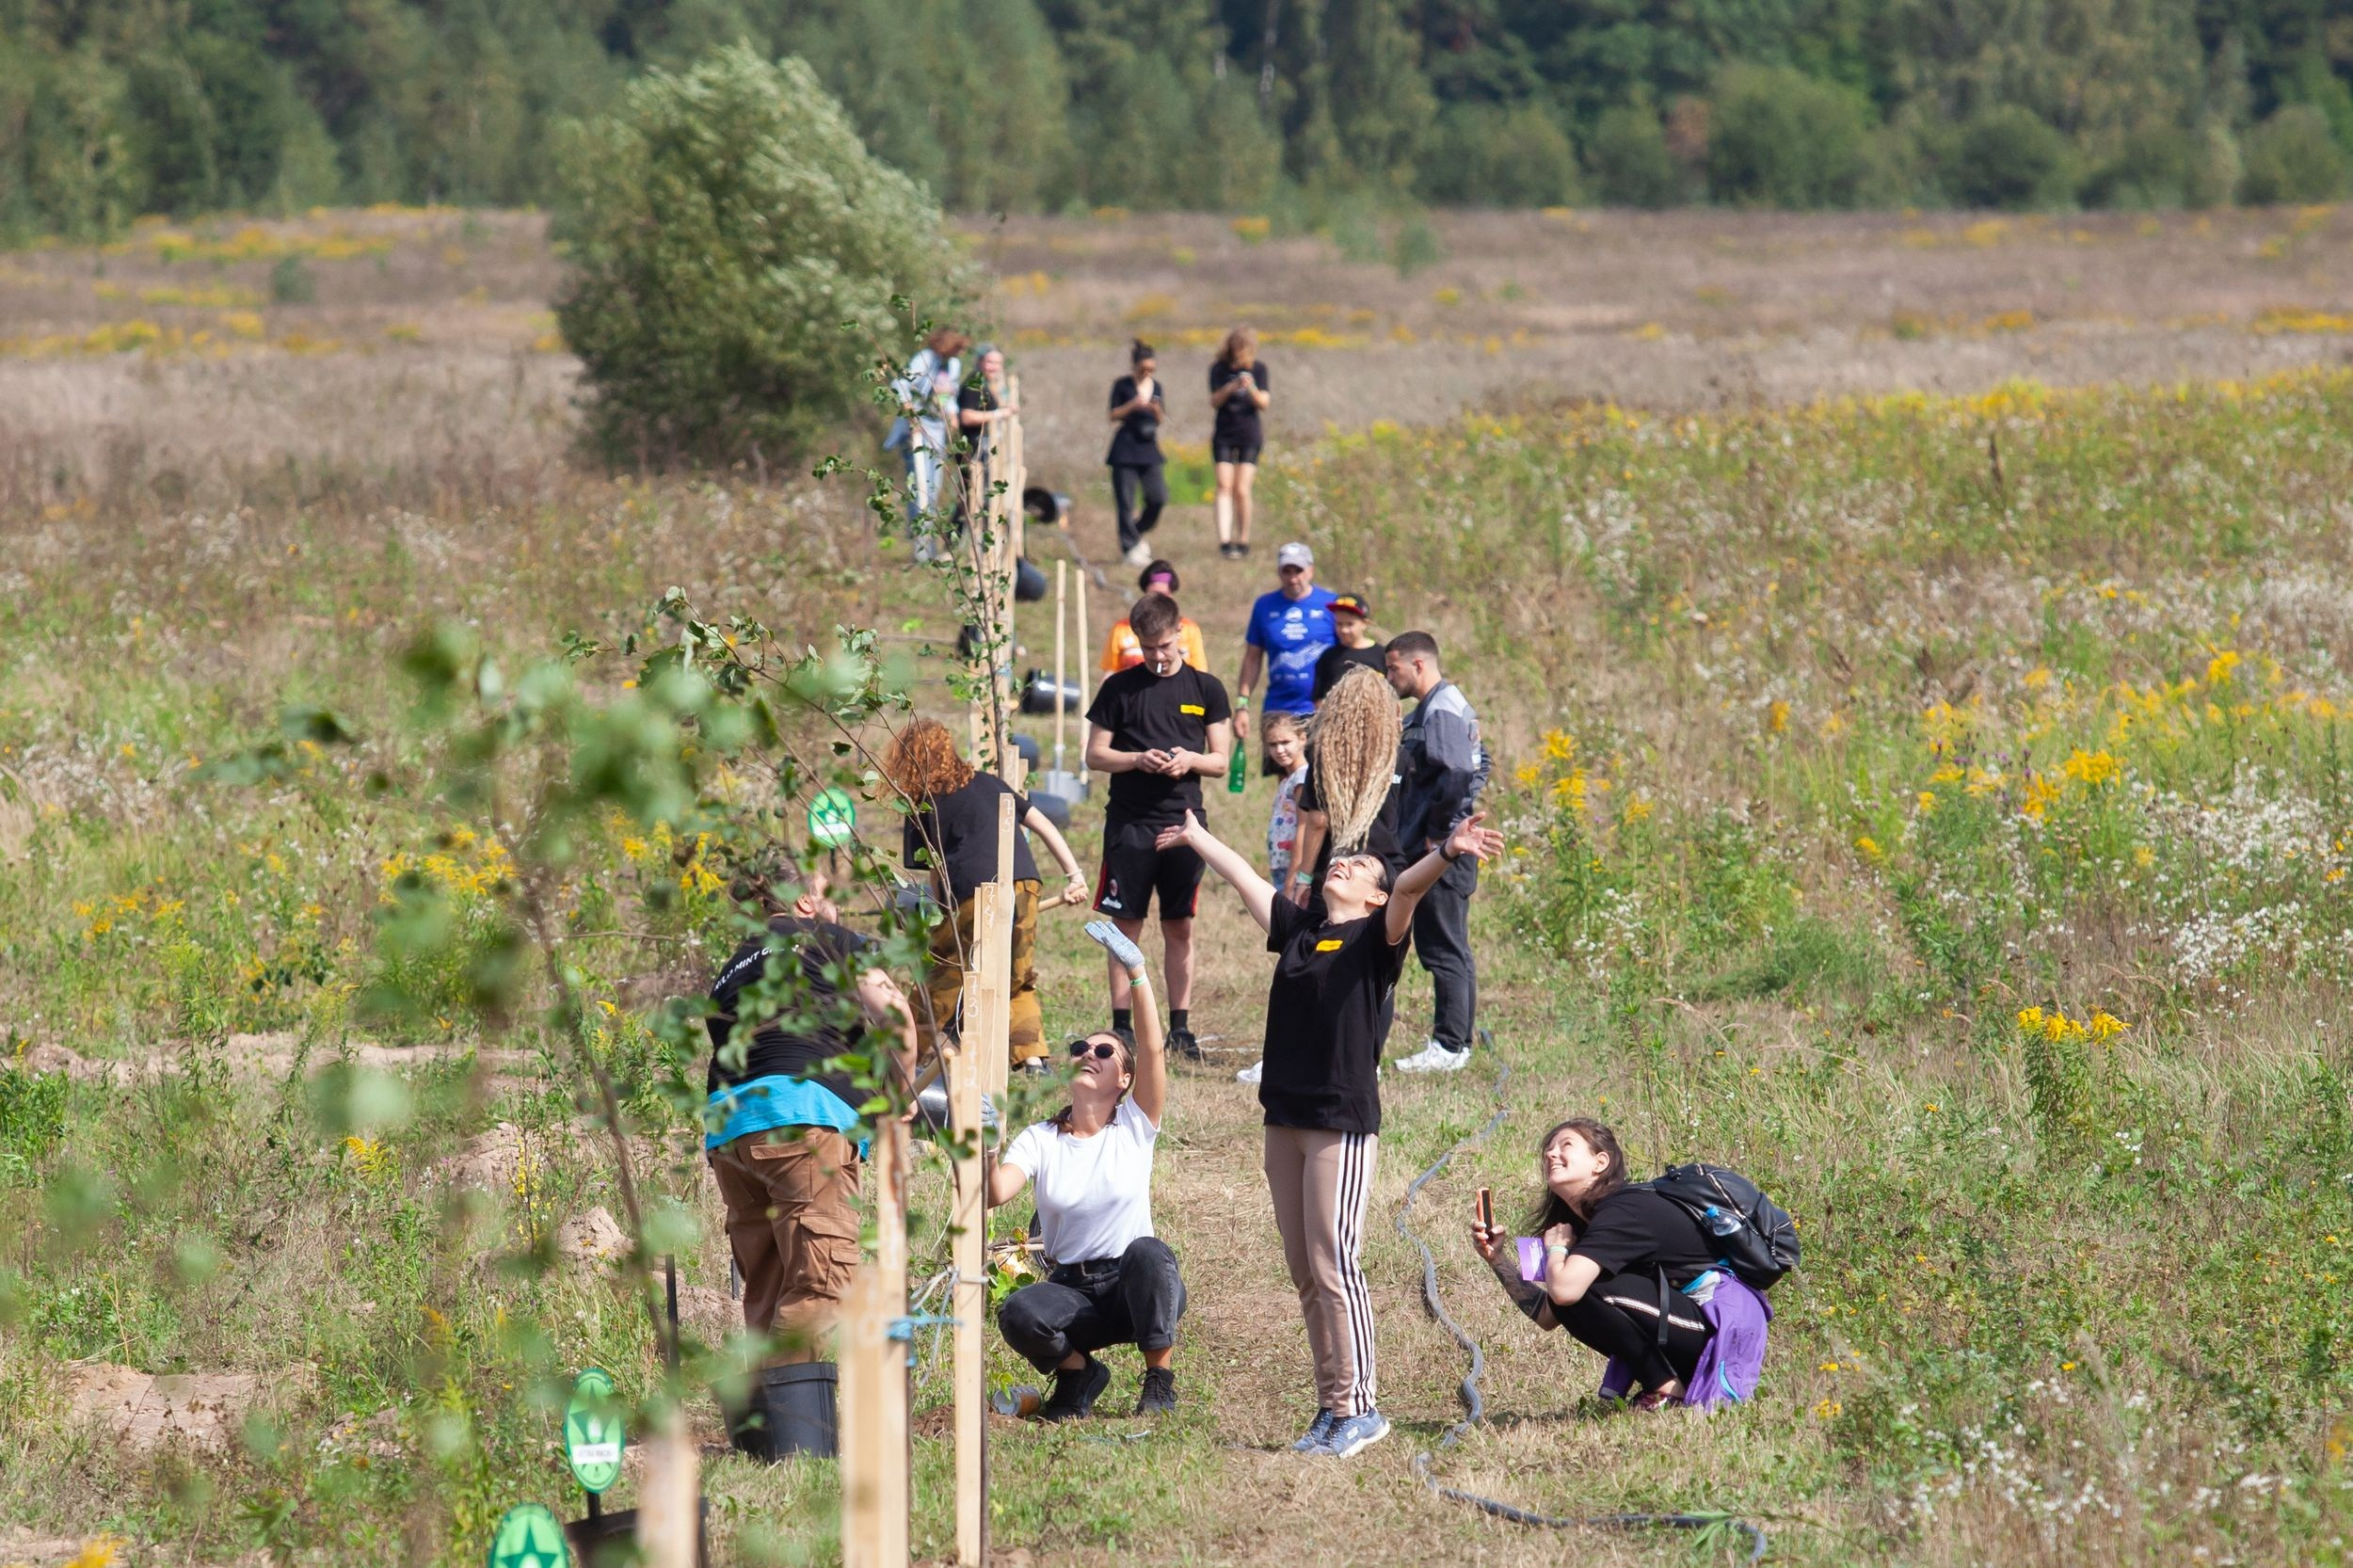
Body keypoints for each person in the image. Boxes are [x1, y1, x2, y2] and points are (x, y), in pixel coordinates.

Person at [1157, 802, 1505, 1458]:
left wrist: (1450, 851)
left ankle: (1362, 1409)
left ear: (1374, 896)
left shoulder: (1378, 941)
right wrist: (1199, 834)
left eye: (1359, 865)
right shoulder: (1301, 930)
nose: (1340, 862)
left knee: (1335, 1263)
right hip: (1283, 1118)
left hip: (1339, 1124)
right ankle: (1331, 1405)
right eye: (1340, 859)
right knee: (1304, 1269)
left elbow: (1407, 887)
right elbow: (1245, 879)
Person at [704, 853, 918, 1364]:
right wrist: (900, 1095)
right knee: (822, 1284)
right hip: (804, 1122)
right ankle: (785, 1420)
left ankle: (758, 1425)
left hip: (732, 1132)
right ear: (805, 901)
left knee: (768, 1288)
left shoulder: (730, 967)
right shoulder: (829, 940)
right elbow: (899, 1019)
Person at [991, 922, 1186, 1419]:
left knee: (1149, 1252)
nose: (1088, 1055)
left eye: (1104, 1052)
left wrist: (1137, 973)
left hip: (1132, 1287)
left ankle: (1159, 1380)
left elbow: (1154, 1048)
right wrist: (983, 1144)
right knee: (1018, 1313)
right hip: (1071, 1292)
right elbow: (995, 1191)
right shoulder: (1039, 1137)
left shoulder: (1134, 1126)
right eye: (1081, 1047)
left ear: (1124, 1079)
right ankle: (1079, 1374)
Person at [1470, 1119, 1771, 1410]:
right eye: (1548, 1148)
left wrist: (1558, 1249)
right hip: (1690, 1324)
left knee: (1581, 1286)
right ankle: (1666, 1385)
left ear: (1600, 1162)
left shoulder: (1623, 1210)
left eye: (1566, 1145)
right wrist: (1498, 1259)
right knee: (1574, 1288)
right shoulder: (1589, 1223)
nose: (1550, 1153)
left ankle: (1667, 1390)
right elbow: (1549, 1314)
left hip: (1722, 1328)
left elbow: (1564, 1291)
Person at [885, 719, 1086, 1075]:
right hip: (1023, 883)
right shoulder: (989, 783)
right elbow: (1041, 823)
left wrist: (944, 922)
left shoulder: (923, 801)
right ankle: (1033, 1060)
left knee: (942, 975)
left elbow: (935, 871)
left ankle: (908, 1058)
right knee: (1016, 975)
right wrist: (1075, 875)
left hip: (971, 893)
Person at [1083, 591, 1233, 1063]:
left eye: (1165, 646)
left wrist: (1190, 759)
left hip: (1184, 822)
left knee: (1178, 926)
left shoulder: (1207, 689)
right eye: (1148, 647)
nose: (1158, 656)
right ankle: (1122, 1025)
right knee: (1124, 926)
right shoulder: (1118, 689)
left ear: (1180, 635)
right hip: (1129, 823)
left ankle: (1181, 1028)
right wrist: (1136, 760)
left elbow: (1220, 761)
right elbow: (1094, 754)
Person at [1385, 631, 1491, 1074]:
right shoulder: (1434, 709)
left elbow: (1460, 768)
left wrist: (1438, 833)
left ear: (1418, 665)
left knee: (1446, 947)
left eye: (1393, 667)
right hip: (1440, 843)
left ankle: (1450, 1046)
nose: (1388, 675)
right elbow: (1482, 761)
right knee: (1441, 946)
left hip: (1445, 849)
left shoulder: (1442, 709)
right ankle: (1452, 1043)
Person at [1234, 542, 1337, 773]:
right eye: (1286, 571)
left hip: (1319, 707)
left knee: (1321, 778)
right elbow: (1252, 657)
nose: (1292, 578)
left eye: (1298, 571)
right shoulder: (1265, 606)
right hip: (1280, 707)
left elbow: (1346, 655)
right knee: (1286, 780)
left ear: (1310, 570)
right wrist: (1242, 704)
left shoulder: (1330, 604)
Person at [888, 328, 969, 548]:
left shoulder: (952, 365)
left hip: (937, 429)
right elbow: (900, 385)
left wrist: (952, 415)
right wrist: (910, 415)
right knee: (921, 486)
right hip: (916, 428)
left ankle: (928, 541)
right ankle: (921, 545)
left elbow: (948, 396)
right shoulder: (925, 359)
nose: (962, 352)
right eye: (959, 347)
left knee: (934, 485)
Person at [1209, 327, 1270, 559]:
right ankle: (1224, 540)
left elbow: (1264, 402)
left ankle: (1243, 539)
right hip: (1224, 432)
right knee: (1224, 486)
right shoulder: (1218, 369)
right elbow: (1214, 401)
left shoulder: (1259, 369)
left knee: (1242, 489)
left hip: (1249, 433)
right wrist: (1231, 387)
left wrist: (1250, 386)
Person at [1107, 340, 1168, 568]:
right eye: (1143, 368)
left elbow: (1161, 419)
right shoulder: (1122, 385)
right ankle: (1129, 546)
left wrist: (1155, 410)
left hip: (1149, 447)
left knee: (1158, 497)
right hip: (1125, 448)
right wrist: (1132, 405)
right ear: (1134, 365)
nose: (1147, 373)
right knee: (1125, 501)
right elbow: (1113, 414)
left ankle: (1137, 531)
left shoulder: (1158, 387)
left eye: (1151, 369)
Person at [1098, 559, 1209, 675]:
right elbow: (1110, 672)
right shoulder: (1121, 629)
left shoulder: (1190, 629)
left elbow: (1200, 673)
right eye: (1154, 595)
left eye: (1164, 596)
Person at [1311, 594, 1385, 703]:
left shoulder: (1380, 653)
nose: (1344, 630)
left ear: (1364, 624)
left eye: (1350, 624)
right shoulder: (1329, 656)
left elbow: (1392, 694)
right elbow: (1319, 698)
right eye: (1339, 624)